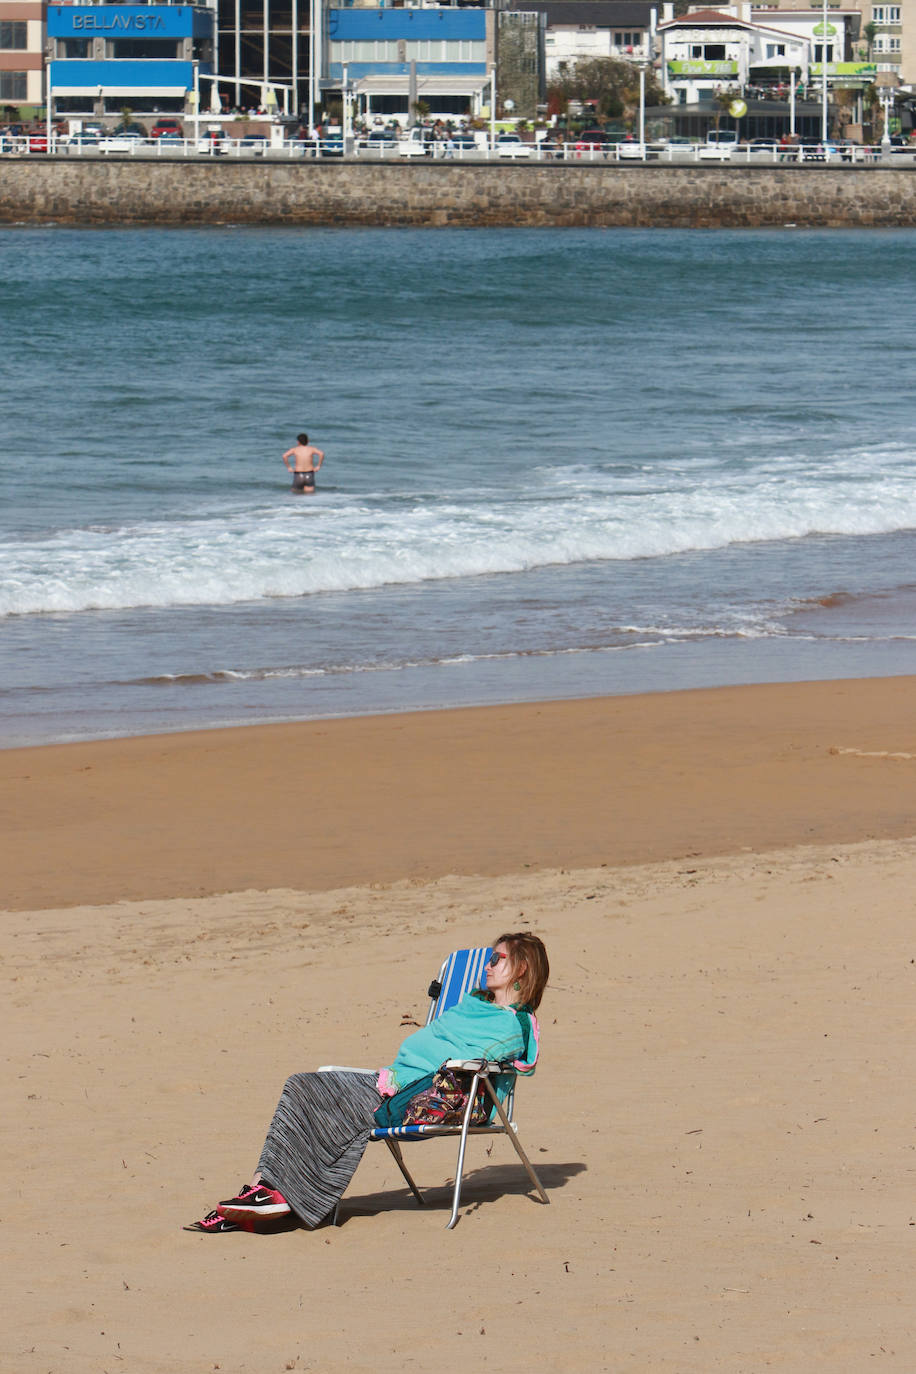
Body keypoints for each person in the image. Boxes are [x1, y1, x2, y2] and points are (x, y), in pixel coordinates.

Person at [185, 932, 549, 1233]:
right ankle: (266, 1188)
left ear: (522, 969)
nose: (488, 965)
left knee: (329, 1102)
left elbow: (496, 1061)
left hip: (426, 1098)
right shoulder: (472, 1006)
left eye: (497, 959)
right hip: (393, 1082)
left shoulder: (510, 1025)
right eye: (489, 958)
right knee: (302, 1085)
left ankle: (281, 1197)